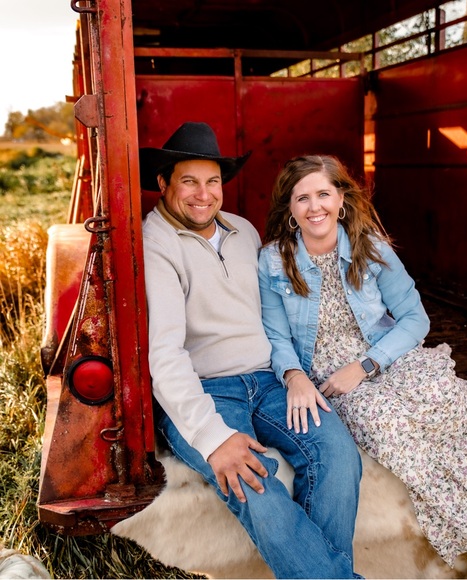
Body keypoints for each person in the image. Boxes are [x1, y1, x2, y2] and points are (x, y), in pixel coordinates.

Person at [257, 154, 467, 568]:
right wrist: (294, 376)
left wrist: (367, 365)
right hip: (328, 371)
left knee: (438, 393)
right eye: (302, 198)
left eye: (323, 194)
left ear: (341, 199)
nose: (314, 207)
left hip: (382, 353)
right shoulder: (273, 260)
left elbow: (415, 319)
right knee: (388, 423)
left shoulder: (371, 247)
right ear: (289, 207)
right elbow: (275, 334)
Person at [139, 124, 362, 579]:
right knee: (254, 483)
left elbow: (277, 313)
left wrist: (294, 373)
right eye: (189, 182)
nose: (203, 195)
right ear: (163, 183)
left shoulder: (241, 230)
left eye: (213, 181)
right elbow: (165, 354)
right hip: (207, 391)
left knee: (338, 454)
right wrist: (213, 437)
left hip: (267, 380)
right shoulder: (153, 242)